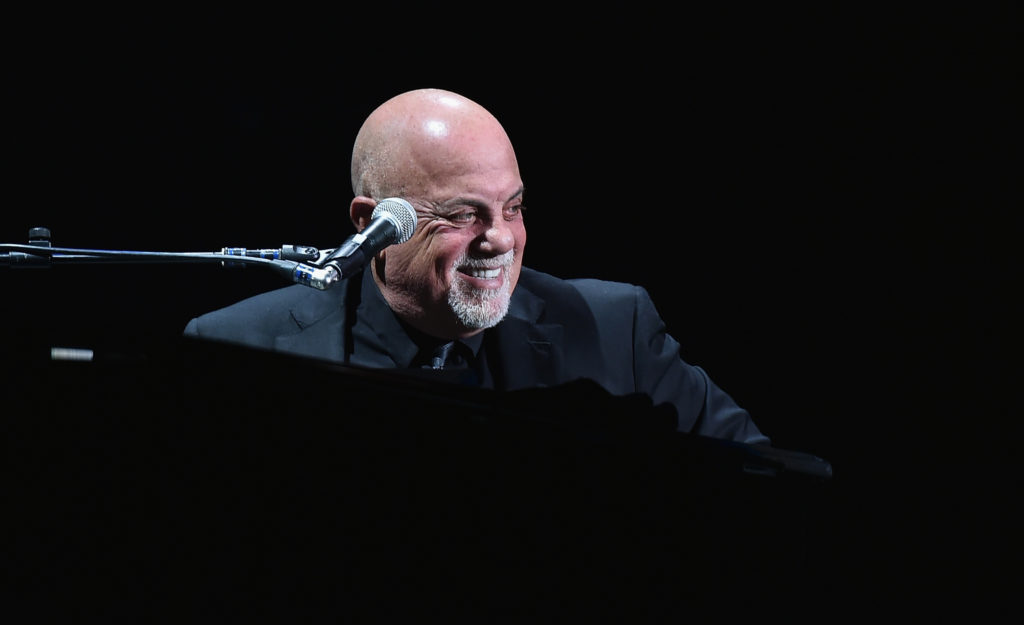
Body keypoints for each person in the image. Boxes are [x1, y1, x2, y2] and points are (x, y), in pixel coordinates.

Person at [184, 88, 769, 445]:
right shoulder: (235, 348)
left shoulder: (617, 331)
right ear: (370, 223)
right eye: (464, 214)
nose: (500, 239)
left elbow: (765, 482)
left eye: (513, 208)